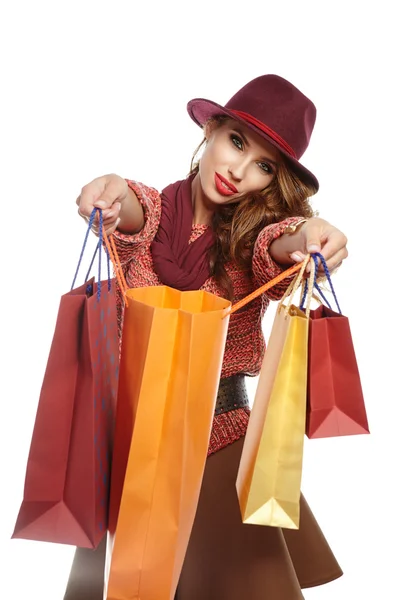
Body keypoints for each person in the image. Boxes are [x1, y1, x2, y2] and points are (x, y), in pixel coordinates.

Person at [65, 74, 348, 600]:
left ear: (274, 182)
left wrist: (307, 236)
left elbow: (276, 245)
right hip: (132, 443)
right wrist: (112, 188)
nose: (238, 171)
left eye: (263, 165)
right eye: (237, 142)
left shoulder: (250, 240)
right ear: (211, 130)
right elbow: (133, 211)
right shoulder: (155, 212)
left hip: (216, 441)